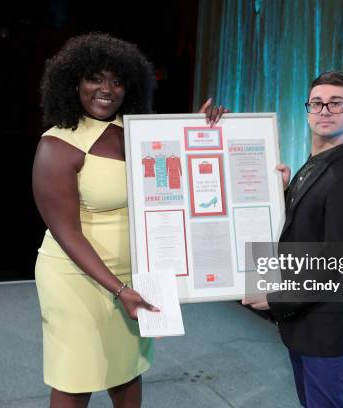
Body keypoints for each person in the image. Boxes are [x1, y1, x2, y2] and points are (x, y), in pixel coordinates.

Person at [32, 32, 225, 408]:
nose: (107, 89)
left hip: (137, 275)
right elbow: (67, 233)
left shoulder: (139, 132)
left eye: (117, 81)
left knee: (127, 368)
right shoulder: (56, 145)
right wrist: (119, 290)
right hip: (77, 279)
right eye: (95, 78)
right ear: (74, 82)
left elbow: (180, 184)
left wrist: (204, 131)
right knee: (75, 375)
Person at [243, 71, 343, 408]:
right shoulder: (314, 165)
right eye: (317, 103)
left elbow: (338, 262)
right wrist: (283, 194)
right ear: (307, 110)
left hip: (327, 328)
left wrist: (277, 298)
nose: (325, 110)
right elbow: (305, 226)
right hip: (304, 322)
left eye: (336, 103)